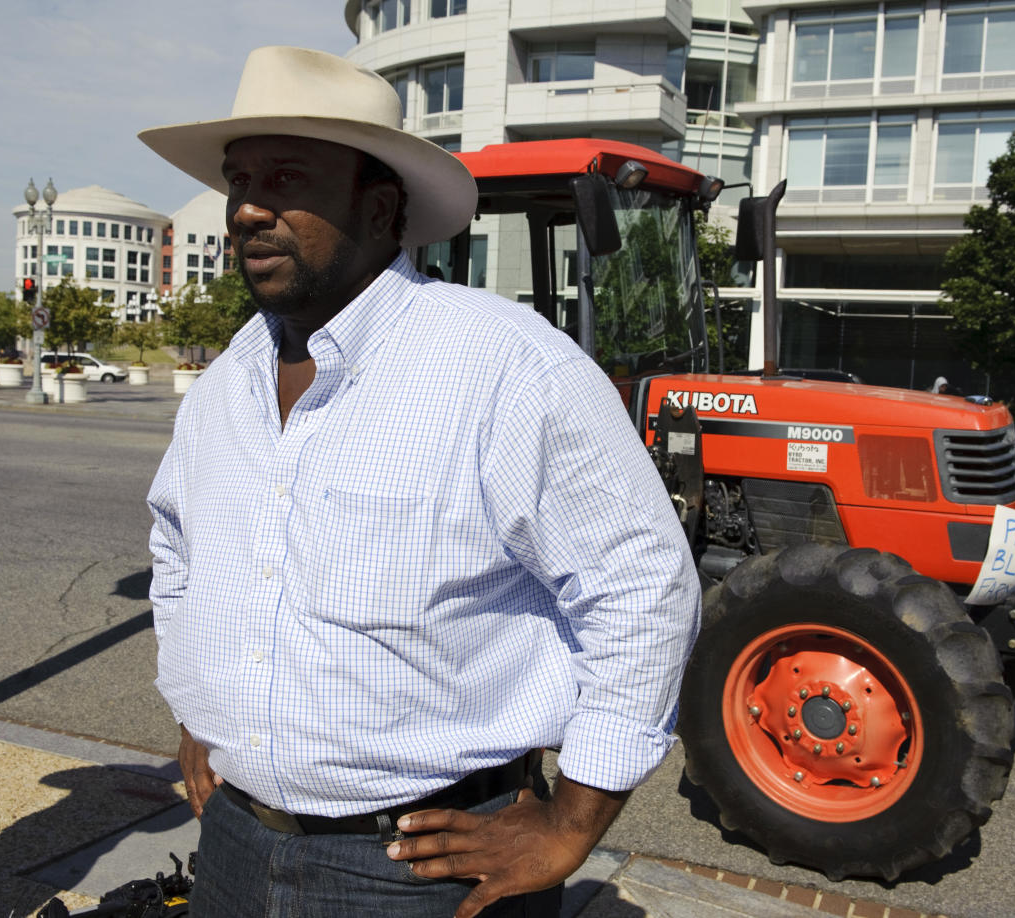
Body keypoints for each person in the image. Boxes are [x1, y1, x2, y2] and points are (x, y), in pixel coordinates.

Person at [139, 46, 700, 918]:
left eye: (286, 176)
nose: (248, 207)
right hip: (236, 845)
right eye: (239, 178)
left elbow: (642, 592)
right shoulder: (225, 385)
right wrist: (198, 705)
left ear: (380, 206)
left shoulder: (507, 368)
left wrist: (572, 822)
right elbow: (179, 559)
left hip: (420, 871)